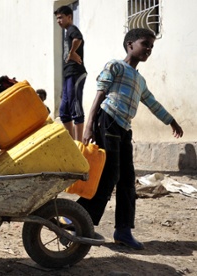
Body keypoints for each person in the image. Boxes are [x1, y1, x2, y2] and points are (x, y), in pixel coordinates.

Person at [77, 28, 184, 250]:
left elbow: (152, 103)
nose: (149, 49)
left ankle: (123, 231)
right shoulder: (115, 66)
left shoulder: (140, 80)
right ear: (130, 45)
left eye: (152, 46)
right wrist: (88, 127)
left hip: (124, 128)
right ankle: (78, 219)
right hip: (107, 120)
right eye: (145, 44)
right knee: (110, 173)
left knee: (127, 179)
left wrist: (171, 120)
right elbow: (99, 94)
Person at [54, 5, 87, 141]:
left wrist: (72, 52)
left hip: (76, 73)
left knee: (75, 107)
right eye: (57, 19)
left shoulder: (72, 29)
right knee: (63, 111)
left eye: (61, 17)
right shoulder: (67, 32)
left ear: (69, 17)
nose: (58, 21)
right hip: (68, 75)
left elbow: (78, 38)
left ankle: (79, 143)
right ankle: (73, 142)